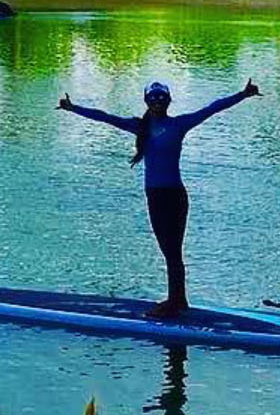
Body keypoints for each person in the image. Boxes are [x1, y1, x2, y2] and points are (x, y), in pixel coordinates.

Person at [58, 79, 260, 317]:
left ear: (169, 100)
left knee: (173, 251)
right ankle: (178, 300)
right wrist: (73, 108)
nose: (157, 101)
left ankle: (175, 302)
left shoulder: (179, 124)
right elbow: (105, 117)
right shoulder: (139, 127)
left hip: (174, 196)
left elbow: (212, 108)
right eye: (153, 98)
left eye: (161, 97)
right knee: (168, 250)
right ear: (146, 101)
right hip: (154, 196)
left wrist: (243, 94)